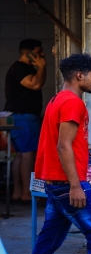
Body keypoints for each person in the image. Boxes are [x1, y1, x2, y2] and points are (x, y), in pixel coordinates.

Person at [26, 54, 91, 254]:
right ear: (80, 75)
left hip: (55, 182)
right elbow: (63, 145)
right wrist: (75, 185)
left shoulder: (57, 99)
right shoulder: (73, 102)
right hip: (66, 183)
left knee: (49, 238)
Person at [5, 39, 47, 202]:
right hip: (23, 117)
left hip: (19, 116)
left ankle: (18, 193)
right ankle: (26, 193)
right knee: (28, 155)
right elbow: (35, 84)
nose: (42, 55)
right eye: (38, 51)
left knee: (21, 156)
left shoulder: (23, 68)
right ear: (27, 53)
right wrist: (42, 66)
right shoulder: (20, 68)